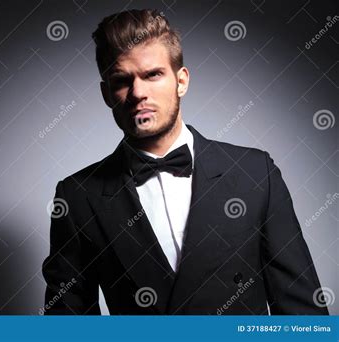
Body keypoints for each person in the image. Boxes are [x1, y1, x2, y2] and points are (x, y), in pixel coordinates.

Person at [42, 9, 328, 315]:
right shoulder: (78, 196)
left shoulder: (255, 173)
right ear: (106, 94)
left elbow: (304, 315)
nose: (138, 93)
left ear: (181, 81)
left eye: (153, 74)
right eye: (122, 80)